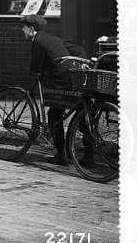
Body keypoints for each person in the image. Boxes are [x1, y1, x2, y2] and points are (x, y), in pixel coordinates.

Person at [21, 15, 91, 165]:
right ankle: (89, 156)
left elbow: (35, 68)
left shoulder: (37, 41)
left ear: (31, 29)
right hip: (75, 78)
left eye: (24, 28)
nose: (23, 31)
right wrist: (83, 63)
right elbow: (79, 49)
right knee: (80, 115)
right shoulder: (53, 38)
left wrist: (37, 74)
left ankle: (61, 155)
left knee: (54, 115)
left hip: (61, 82)